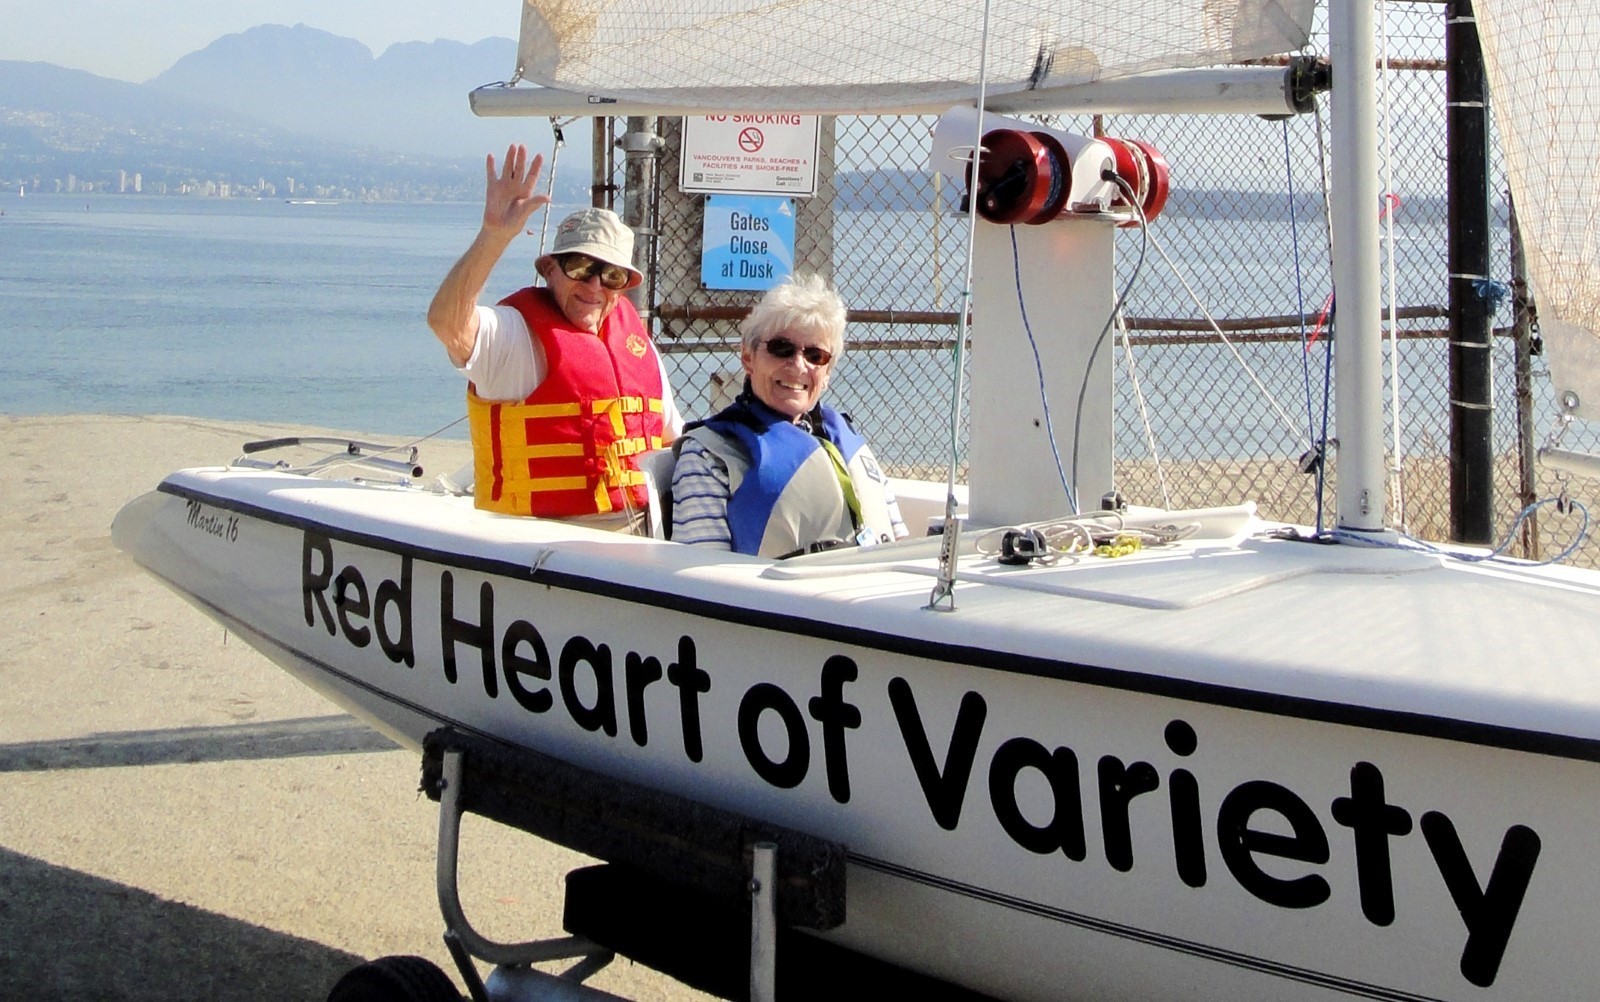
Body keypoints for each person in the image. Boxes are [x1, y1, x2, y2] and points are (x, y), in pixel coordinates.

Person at [428, 144, 683, 530]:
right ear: (549, 269)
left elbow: (671, 443)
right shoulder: (515, 334)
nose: (595, 285)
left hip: (641, 534)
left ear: (624, 286)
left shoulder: (636, 344)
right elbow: (446, 324)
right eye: (580, 266)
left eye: (612, 275)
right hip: (538, 542)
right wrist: (494, 236)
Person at [671, 274, 907, 557]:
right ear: (748, 357)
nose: (797, 365)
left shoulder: (844, 437)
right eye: (781, 349)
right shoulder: (708, 454)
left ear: (828, 373)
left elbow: (900, 540)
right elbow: (704, 579)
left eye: (815, 356)